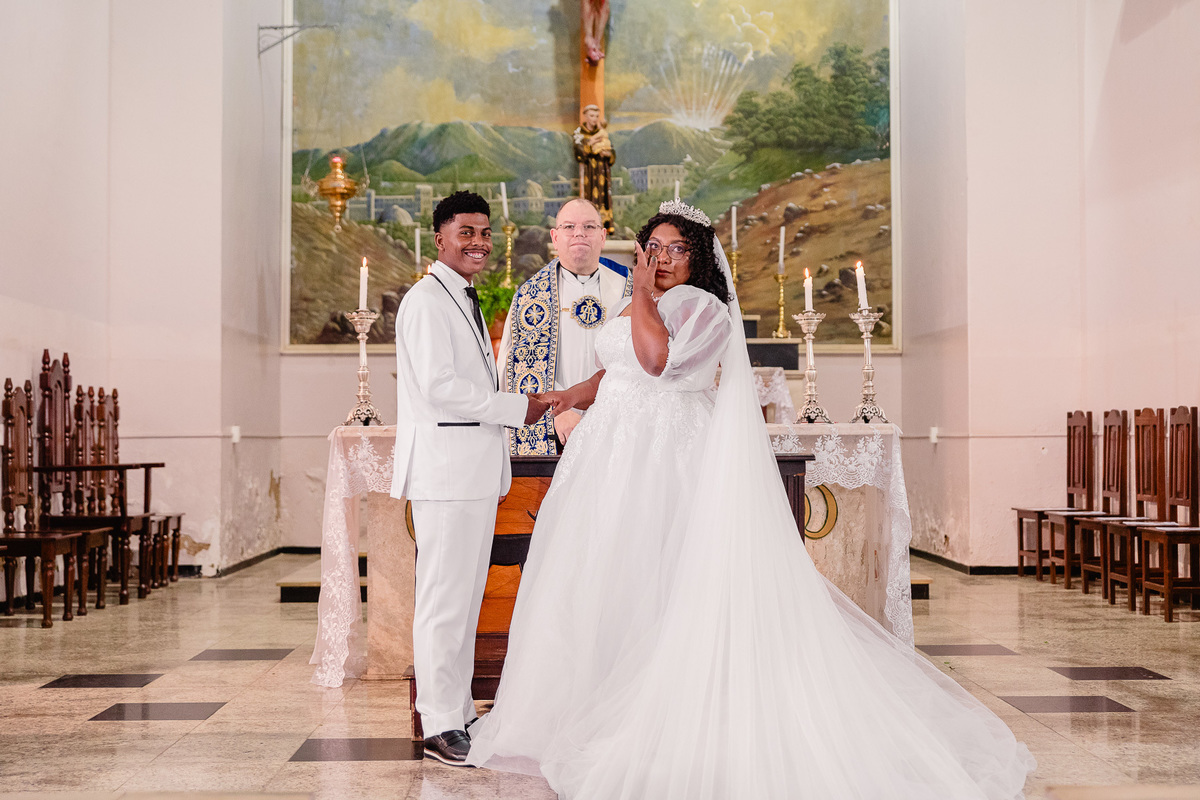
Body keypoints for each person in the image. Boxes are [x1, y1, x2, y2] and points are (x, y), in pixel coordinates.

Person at [469, 200, 1036, 798]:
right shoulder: (647, 301)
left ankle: (658, 710)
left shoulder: (702, 307)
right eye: (653, 248)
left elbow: (656, 362)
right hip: (609, 456)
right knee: (596, 579)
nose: (660, 259)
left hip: (662, 457)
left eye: (674, 249)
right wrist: (569, 392)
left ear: (699, 258)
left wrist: (638, 291)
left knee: (657, 576)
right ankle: (579, 707)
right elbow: (616, 369)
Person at [391, 190, 550, 767]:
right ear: (440, 237)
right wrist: (517, 406)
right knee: (442, 600)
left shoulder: (459, 296)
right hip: (449, 472)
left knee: (462, 601)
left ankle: (458, 712)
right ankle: (438, 723)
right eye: (466, 232)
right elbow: (439, 388)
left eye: (485, 232)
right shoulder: (426, 301)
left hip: (473, 472)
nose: (479, 242)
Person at [496, 198, 631, 454]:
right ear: (555, 237)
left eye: (589, 227)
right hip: (557, 431)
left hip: (619, 426)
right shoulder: (529, 297)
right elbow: (513, 371)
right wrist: (557, 412)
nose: (579, 233)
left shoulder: (629, 290)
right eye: (569, 227)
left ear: (602, 236)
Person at [572, 106, 615, 232]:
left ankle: (605, 224)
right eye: (591, 116)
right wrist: (591, 144)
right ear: (585, 116)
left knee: (603, 196)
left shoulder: (602, 132)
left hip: (602, 170)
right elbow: (579, 152)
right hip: (588, 171)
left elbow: (612, 152)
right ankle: (588, 223)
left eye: (596, 116)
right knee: (588, 196)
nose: (594, 119)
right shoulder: (579, 133)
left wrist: (608, 154)